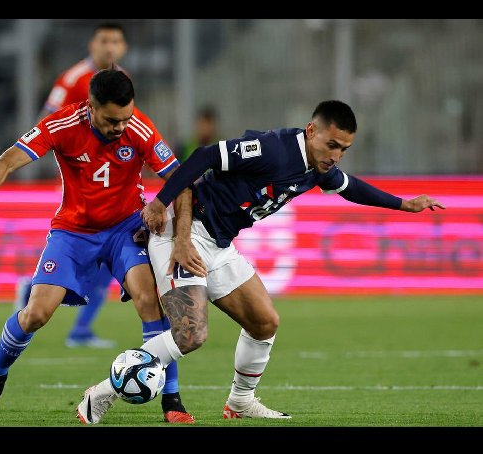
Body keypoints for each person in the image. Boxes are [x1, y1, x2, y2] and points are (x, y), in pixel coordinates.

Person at [77, 100, 446, 422]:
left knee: (265, 321)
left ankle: (240, 403)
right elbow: (205, 156)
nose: (335, 155)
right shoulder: (273, 148)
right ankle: (101, 393)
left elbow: (350, 187)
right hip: (183, 234)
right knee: (190, 335)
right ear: (312, 130)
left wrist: (405, 204)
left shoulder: (318, 168)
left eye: (344, 149)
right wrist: (161, 204)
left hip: (218, 243)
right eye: (332, 145)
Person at [0, 69, 195, 424]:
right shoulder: (62, 125)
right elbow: (9, 159)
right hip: (72, 232)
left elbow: (181, 180)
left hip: (125, 229)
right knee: (36, 314)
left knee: (150, 300)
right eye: (111, 120)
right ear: (90, 106)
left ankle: (173, 401)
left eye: (126, 118)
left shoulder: (140, 128)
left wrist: (180, 234)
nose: (120, 127)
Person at [16, 22, 129, 349]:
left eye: (116, 41)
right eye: (104, 40)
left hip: (110, 187)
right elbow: (46, 123)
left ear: (124, 48)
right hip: (79, 185)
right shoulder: (73, 79)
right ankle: (33, 293)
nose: (110, 47)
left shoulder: (121, 80)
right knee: (94, 256)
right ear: (92, 45)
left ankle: (77, 325)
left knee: (105, 260)